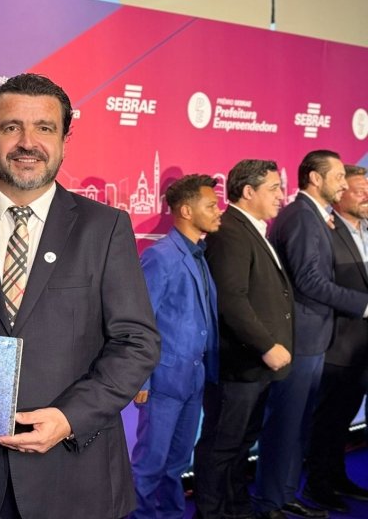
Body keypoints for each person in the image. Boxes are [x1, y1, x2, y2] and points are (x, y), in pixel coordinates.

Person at [0, 72, 160, 519]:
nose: (27, 142)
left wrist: (69, 418)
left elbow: (137, 342)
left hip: (75, 476)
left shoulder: (105, 227)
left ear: (64, 141)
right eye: (11, 127)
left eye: (44, 128)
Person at [261, 151, 368, 518]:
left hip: (322, 338)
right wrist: (364, 305)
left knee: (300, 425)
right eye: (339, 177)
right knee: (290, 425)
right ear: (315, 178)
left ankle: (285, 495)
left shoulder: (314, 217)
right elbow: (309, 280)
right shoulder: (303, 217)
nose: (343, 184)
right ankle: (275, 499)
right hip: (309, 337)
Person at [192, 159, 294, 519]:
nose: (282, 195)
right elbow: (231, 299)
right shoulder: (230, 232)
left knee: (239, 445)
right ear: (248, 191)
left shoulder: (250, 229)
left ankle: (236, 508)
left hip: (254, 367)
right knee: (222, 445)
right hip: (239, 365)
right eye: (274, 188)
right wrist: (266, 345)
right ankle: (212, 512)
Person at [130, 174, 221, 519]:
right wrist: (141, 379)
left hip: (193, 379)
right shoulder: (161, 256)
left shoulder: (199, 254)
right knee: (149, 465)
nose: (218, 211)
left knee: (177, 464)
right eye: (211, 205)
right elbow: (141, 320)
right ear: (185, 210)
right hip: (163, 381)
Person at [303, 164, 368, 513]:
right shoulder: (326, 230)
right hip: (337, 343)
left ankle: (338, 477)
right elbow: (317, 284)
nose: (366, 196)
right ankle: (318, 485)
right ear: (340, 196)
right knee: (326, 422)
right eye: (359, 190)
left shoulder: (366, 229)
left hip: (362, 348)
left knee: (344, 420)